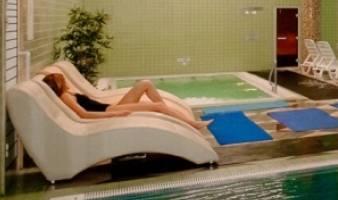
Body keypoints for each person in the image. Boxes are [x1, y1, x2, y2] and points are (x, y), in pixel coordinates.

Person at [42, 73, 212, 130]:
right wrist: (115, 113)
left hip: (110, 107)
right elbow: (84, 114)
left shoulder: (66, 93)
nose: (66, 81)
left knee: (145, 83)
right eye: (63, 79)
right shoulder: (65, 97)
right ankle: (192, 124)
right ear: (59, 85)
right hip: (109, 110)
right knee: (157, 106)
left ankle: (169, 114)